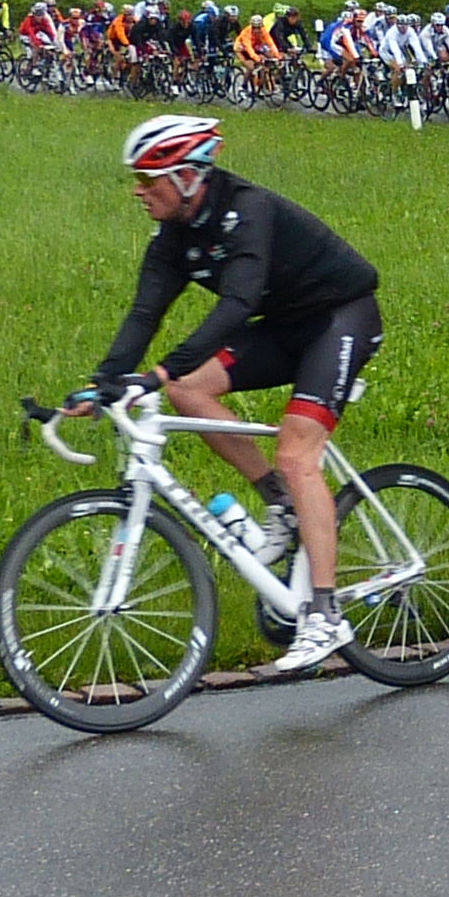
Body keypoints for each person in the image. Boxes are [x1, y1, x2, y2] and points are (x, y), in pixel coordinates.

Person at [74, 115, 379, 674]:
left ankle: (326, 614)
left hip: (341, 317)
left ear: (189, 176)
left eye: (149, 178)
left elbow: (236, 306)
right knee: (191, 392)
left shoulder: (249, 210)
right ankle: (281, 505)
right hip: (288, 325)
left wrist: (160, 373)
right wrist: (104, 381)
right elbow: (145, 313)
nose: (139, 191)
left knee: (296, 454)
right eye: (136, 180)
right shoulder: (174, 237)